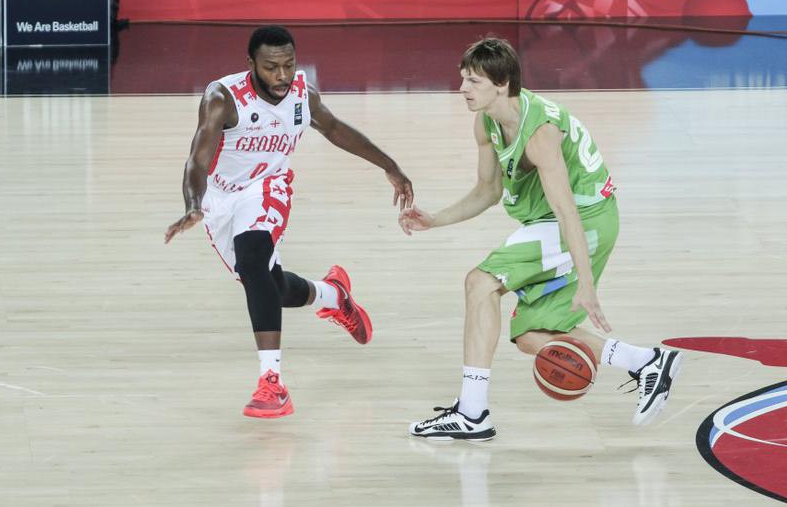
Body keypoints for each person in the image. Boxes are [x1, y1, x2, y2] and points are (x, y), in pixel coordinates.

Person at [399, 37, 681, 440]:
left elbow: (567, 212)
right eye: (463, 78)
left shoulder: (539, 134)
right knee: (532, 335)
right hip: (555, 219)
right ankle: (646, 361)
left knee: (480, 283)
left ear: (502, 84)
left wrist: (586, 283)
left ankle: (472, 413)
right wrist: (435, 220)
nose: (463, 88)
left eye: (473, 81)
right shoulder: (487, 121)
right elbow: (488, 191)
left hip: (586, 219)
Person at [165, 25, 413, 419]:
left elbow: (334, 129)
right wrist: (193, 205)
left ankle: (272, 383)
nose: (282, 75)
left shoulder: (302, 95)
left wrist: (390, 165)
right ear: (251, 64)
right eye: (271, 67)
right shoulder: (222, 98)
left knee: (253, 263)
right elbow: (197, 159)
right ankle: (333, 295)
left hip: (267, 187)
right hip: (218, 199)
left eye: (289, 65)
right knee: (269, 286)